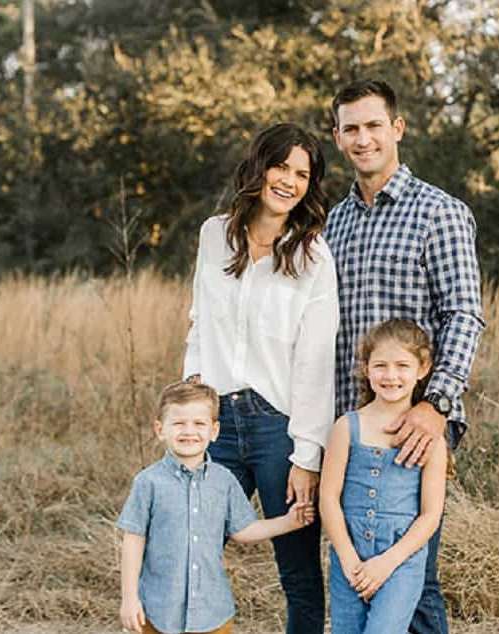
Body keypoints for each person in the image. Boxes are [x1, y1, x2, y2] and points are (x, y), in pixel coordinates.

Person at [324, 79, 485, 633]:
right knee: (354, 575)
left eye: (374, 125)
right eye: (351, 128)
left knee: (411, 578)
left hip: (417, 420)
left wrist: (435, 405)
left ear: (397, 128)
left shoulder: (439, 213)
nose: (363, 138)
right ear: (338, 137)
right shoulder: (332, 223)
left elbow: (463, 314)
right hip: (355, 426)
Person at [183, 123, 338, 633]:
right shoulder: (214, 233)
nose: (289, 181)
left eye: (302, 173)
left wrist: (306, 455)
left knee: (296, 572)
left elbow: (316, 362)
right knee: (190, 551)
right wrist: (192, 410)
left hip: (280, 428)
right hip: (217, 421)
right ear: (259, 167)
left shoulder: (313, 257)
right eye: (281, 166)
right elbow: (199, 324)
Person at [117, 381, 315, 634]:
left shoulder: (224, 481)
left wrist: (288, 522)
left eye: (199, 424)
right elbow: (133, 539)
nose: (189, 431)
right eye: (178, 423)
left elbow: (242, 530)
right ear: (160, 429)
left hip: (212, 615)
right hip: (157, 612)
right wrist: (129, 598)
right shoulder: (148, 482)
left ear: (214, 430)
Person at [320, 319, 447, 634]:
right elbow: (328, 498)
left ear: (422, 368)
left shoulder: (431, 438)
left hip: (400, 561)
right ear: (365, 368)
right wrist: (348, 558)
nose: (391, 376)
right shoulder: (347, 427)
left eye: (402, 365)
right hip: (349, 557)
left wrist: (387, 562)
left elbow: (431, 515)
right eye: (381, 366)